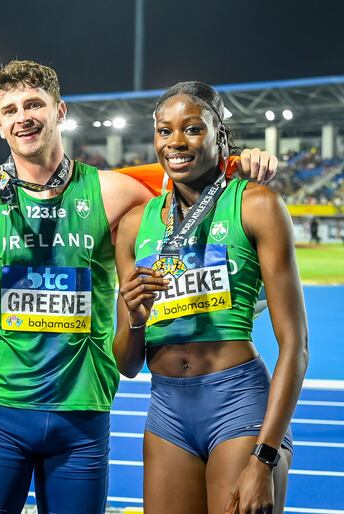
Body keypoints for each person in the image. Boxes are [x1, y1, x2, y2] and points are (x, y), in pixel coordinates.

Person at [0, 60, 278, 513]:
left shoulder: (114, 191)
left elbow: (193, 192)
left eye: (33, 104)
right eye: (9, 110)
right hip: (0, 404)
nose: (22, 117)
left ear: (59, 110)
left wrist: (237, 165)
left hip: (82, 409)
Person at [113, 81, 308, 514]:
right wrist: (136, 316)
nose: (176, 142)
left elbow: (296, 345)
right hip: (166, 411)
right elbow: (126, 365)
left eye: (193, 129)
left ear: (220, 136)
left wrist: (265, 455)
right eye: (164, 131)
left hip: (239, 405)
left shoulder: (256, 205)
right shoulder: (132, 226)